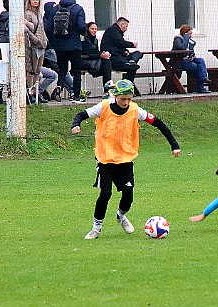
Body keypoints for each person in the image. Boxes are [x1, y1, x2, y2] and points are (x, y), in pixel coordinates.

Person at [71, 79, 181, 239]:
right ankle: (96, 228)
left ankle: (121, 216)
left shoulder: (136, 110)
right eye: (123, 99)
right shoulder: (103, 107)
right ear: (115, 96)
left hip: (125, 159)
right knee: (106, 193)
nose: (126, 102)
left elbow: (158, 123)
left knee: (128, 193)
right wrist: (76, 124)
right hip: (105, 159)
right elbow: (82, 114)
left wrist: (174, 144)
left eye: (129, 99)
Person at [45, 0, 87, 103]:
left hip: (60, 47)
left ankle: (59, 86)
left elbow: (48, 28)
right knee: (76, 70)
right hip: (75, 46)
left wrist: (54, 43)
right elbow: (81, 27)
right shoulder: (78, 9)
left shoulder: (55, 9)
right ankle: (76, 96)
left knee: (63, 69)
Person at [43, 1, 74, 101]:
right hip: (50, 49)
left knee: (61, 70)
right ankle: (74, 89)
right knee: (62, 69)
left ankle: (72, 89)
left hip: (54, 47)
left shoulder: (55, 18)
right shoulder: (46, 20)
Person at [100, 17, 143, 83]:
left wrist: (125, 51)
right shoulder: (113, 30)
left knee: (138, 53)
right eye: (126, 26)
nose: (126, 29)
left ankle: (132, 61)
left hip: (121, 56)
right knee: (133, 68)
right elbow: (120, 42)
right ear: (122, 25)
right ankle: (127, 85)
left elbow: (119, 45)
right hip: (114, 57)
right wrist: (132, 44)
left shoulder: (117, 32)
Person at [172, 24, 211, 94]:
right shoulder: (177, 39)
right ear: (185, 33)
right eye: (190, 34)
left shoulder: (190, 41)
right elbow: (182, 48)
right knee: (197, 67)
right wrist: (186, 38)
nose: (191, 35)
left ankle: (203, 78)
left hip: (188, 60)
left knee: (201, 61)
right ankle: (201, 87)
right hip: (180, 61)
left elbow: (191, 52)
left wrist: (192, 57)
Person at [24, 0, 48, 104]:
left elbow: (42, 29)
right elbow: (27, 30)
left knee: (38, 70)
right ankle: (30, 92)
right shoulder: (27, 14)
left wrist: (44, 40)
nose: (35, 1)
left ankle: (36, 91)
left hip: (41, 45)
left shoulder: (39, 14)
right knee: (31, 70)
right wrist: (35, 40)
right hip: (32, 45)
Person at [81, 22, 113, 97]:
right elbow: (86, 55)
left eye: (95, 29)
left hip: (94, 61)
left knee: (106, 61)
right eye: (92, 29)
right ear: (88, 29)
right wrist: (100, 55)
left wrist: (103, 53)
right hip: (84, 61)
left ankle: (107, 88)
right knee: (106, 64)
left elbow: (96, 52)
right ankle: (107, 88)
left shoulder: (95, 40)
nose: (94, 30)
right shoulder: (84, 40)